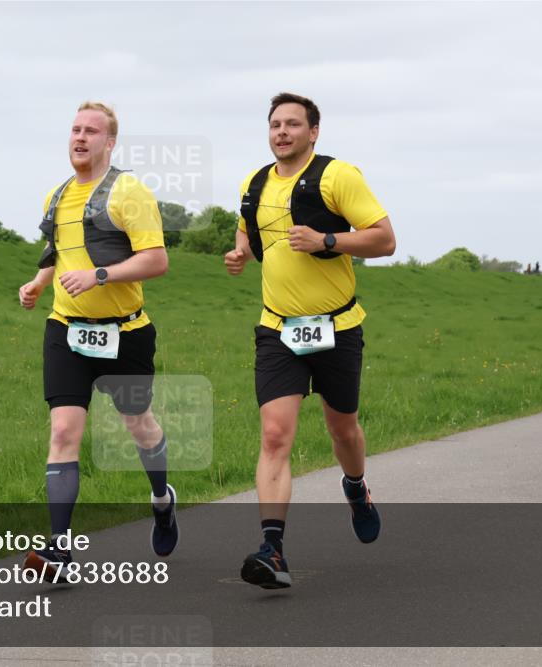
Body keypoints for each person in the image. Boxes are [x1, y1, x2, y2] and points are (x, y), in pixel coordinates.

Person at [225, 92, 396, 589]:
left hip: (337, 328)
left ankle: (356, 487)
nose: (282, 132)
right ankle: (272, 549)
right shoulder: (253, 183)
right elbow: (248, 233)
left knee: (343, 429)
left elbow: (384, 239)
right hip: (278, 329)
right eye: (275, 124)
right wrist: (239, 254)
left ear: (313, 132)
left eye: (293, 124)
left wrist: (326, 240)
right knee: (276, 435)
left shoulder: (338, 176)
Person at [19, 102, 176, 574]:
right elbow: (58, 253)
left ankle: (161, 497)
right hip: (66, 330)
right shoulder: (59, 196)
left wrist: (101, 275)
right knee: (64, 431)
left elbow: (157, 260)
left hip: (124, 334)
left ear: (110, 142)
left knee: (139, 427)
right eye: (74, 129)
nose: (80, 137)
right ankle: (60, 549)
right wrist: (39, 283)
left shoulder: (128, 193)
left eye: (91, 131)